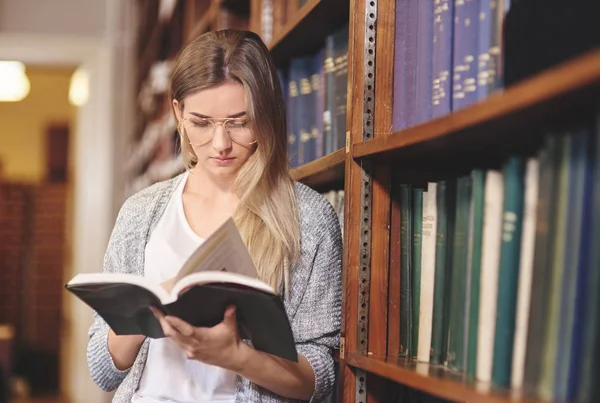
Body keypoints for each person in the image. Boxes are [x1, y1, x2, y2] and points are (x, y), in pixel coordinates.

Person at [86, 29, 342, 403]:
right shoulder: (141, 213)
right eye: (202, 123)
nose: (220, 144)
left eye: (239, 122)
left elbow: (319, 380)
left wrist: (238, 358)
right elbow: (102, 370)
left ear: (267, 115)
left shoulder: (309, 220)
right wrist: (146, 312)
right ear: (178, 113)